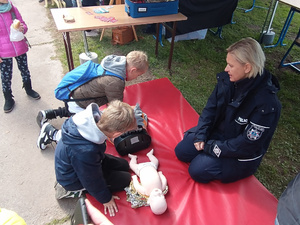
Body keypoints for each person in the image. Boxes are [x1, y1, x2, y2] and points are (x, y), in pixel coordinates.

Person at [175, 37, 281, 184]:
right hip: (220, 134)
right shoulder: (228, 80)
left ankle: (218, 161)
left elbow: (247, 144)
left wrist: (212, 147)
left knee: (197, 170)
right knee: (181, 151)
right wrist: (201, 135)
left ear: (247, 67)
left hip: (241, 151)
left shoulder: (267, 104)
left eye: (231, 65)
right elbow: (210, 110)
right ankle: (206, 151)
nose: (226, 69)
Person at [54, 100, 137, 217]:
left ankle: (104, 171)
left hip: (88, 161)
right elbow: (90, 180)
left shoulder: (96, 119)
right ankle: (79, 191)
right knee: (125, 179)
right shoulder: (86, 152)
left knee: (124, 164)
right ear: (116, 134)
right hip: (74, 179)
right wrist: (105, 198)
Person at [36, 50, 148, 127]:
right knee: (83, 125)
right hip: (79, 102)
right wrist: (130, 111)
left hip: (75, 94)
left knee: (72, 111)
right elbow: (116, 107)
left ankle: (47, 114)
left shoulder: (113, 64)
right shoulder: (115, 81)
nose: (136, 78)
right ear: (132, 70)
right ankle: (51, 133)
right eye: (138, 75)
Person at [0, 0, 40, 113]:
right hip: (3, 51)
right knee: (6, 75)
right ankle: (8, 98)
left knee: (24, 70)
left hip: (19, 46)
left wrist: (23, 28)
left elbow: (23, 24)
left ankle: (28, 89)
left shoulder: (12, 8)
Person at [127, 149, 168, 215]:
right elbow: (164, 180)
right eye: (161, 195)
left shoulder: (145, 192)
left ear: (149, 201)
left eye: (155, 196)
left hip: (139, 169)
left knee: (131, 165)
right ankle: (150, 155)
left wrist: (135, 179)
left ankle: (133, 157)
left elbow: (137, 186)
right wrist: (161, 175)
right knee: (156, 161)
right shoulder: (162, 188)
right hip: (153, 166)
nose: (157, 193)